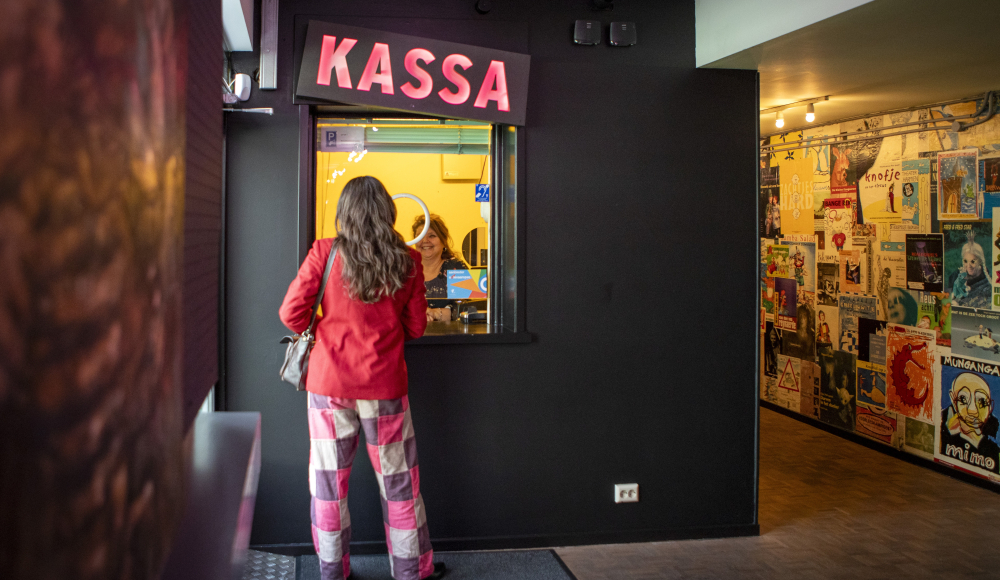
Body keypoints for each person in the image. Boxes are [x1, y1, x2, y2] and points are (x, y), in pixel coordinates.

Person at [279, 176, 446, 580]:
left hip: (329, 387)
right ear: (388, 210)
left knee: (329, 487)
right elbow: (418, 327)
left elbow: (290, 314)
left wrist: (328, 331)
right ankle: (411, 572)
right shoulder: (407, 260)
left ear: (345, 211)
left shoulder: (325, 252)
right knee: (400, 486)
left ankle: (333, 572)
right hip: (385, 388)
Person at [412, 213, 469, 322]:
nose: (425, 240)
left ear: (443, 241)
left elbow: (467, 310)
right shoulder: (405, 270)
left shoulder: (456, 268)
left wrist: (436, 313)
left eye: (432, 235)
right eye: (419, 236)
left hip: (449, 337)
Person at [940, 372, 1000, 474]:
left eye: (981, 401)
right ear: (954, 401)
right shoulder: (946, 434)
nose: (972, 410)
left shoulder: (994, 450)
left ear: (990, 407)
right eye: (963, 399)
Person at [951, 230, 991, 308]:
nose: (968, 266)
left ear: (980, 261)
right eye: (965, 261)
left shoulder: (988, 286)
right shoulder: (957, 279)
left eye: (973, 261)